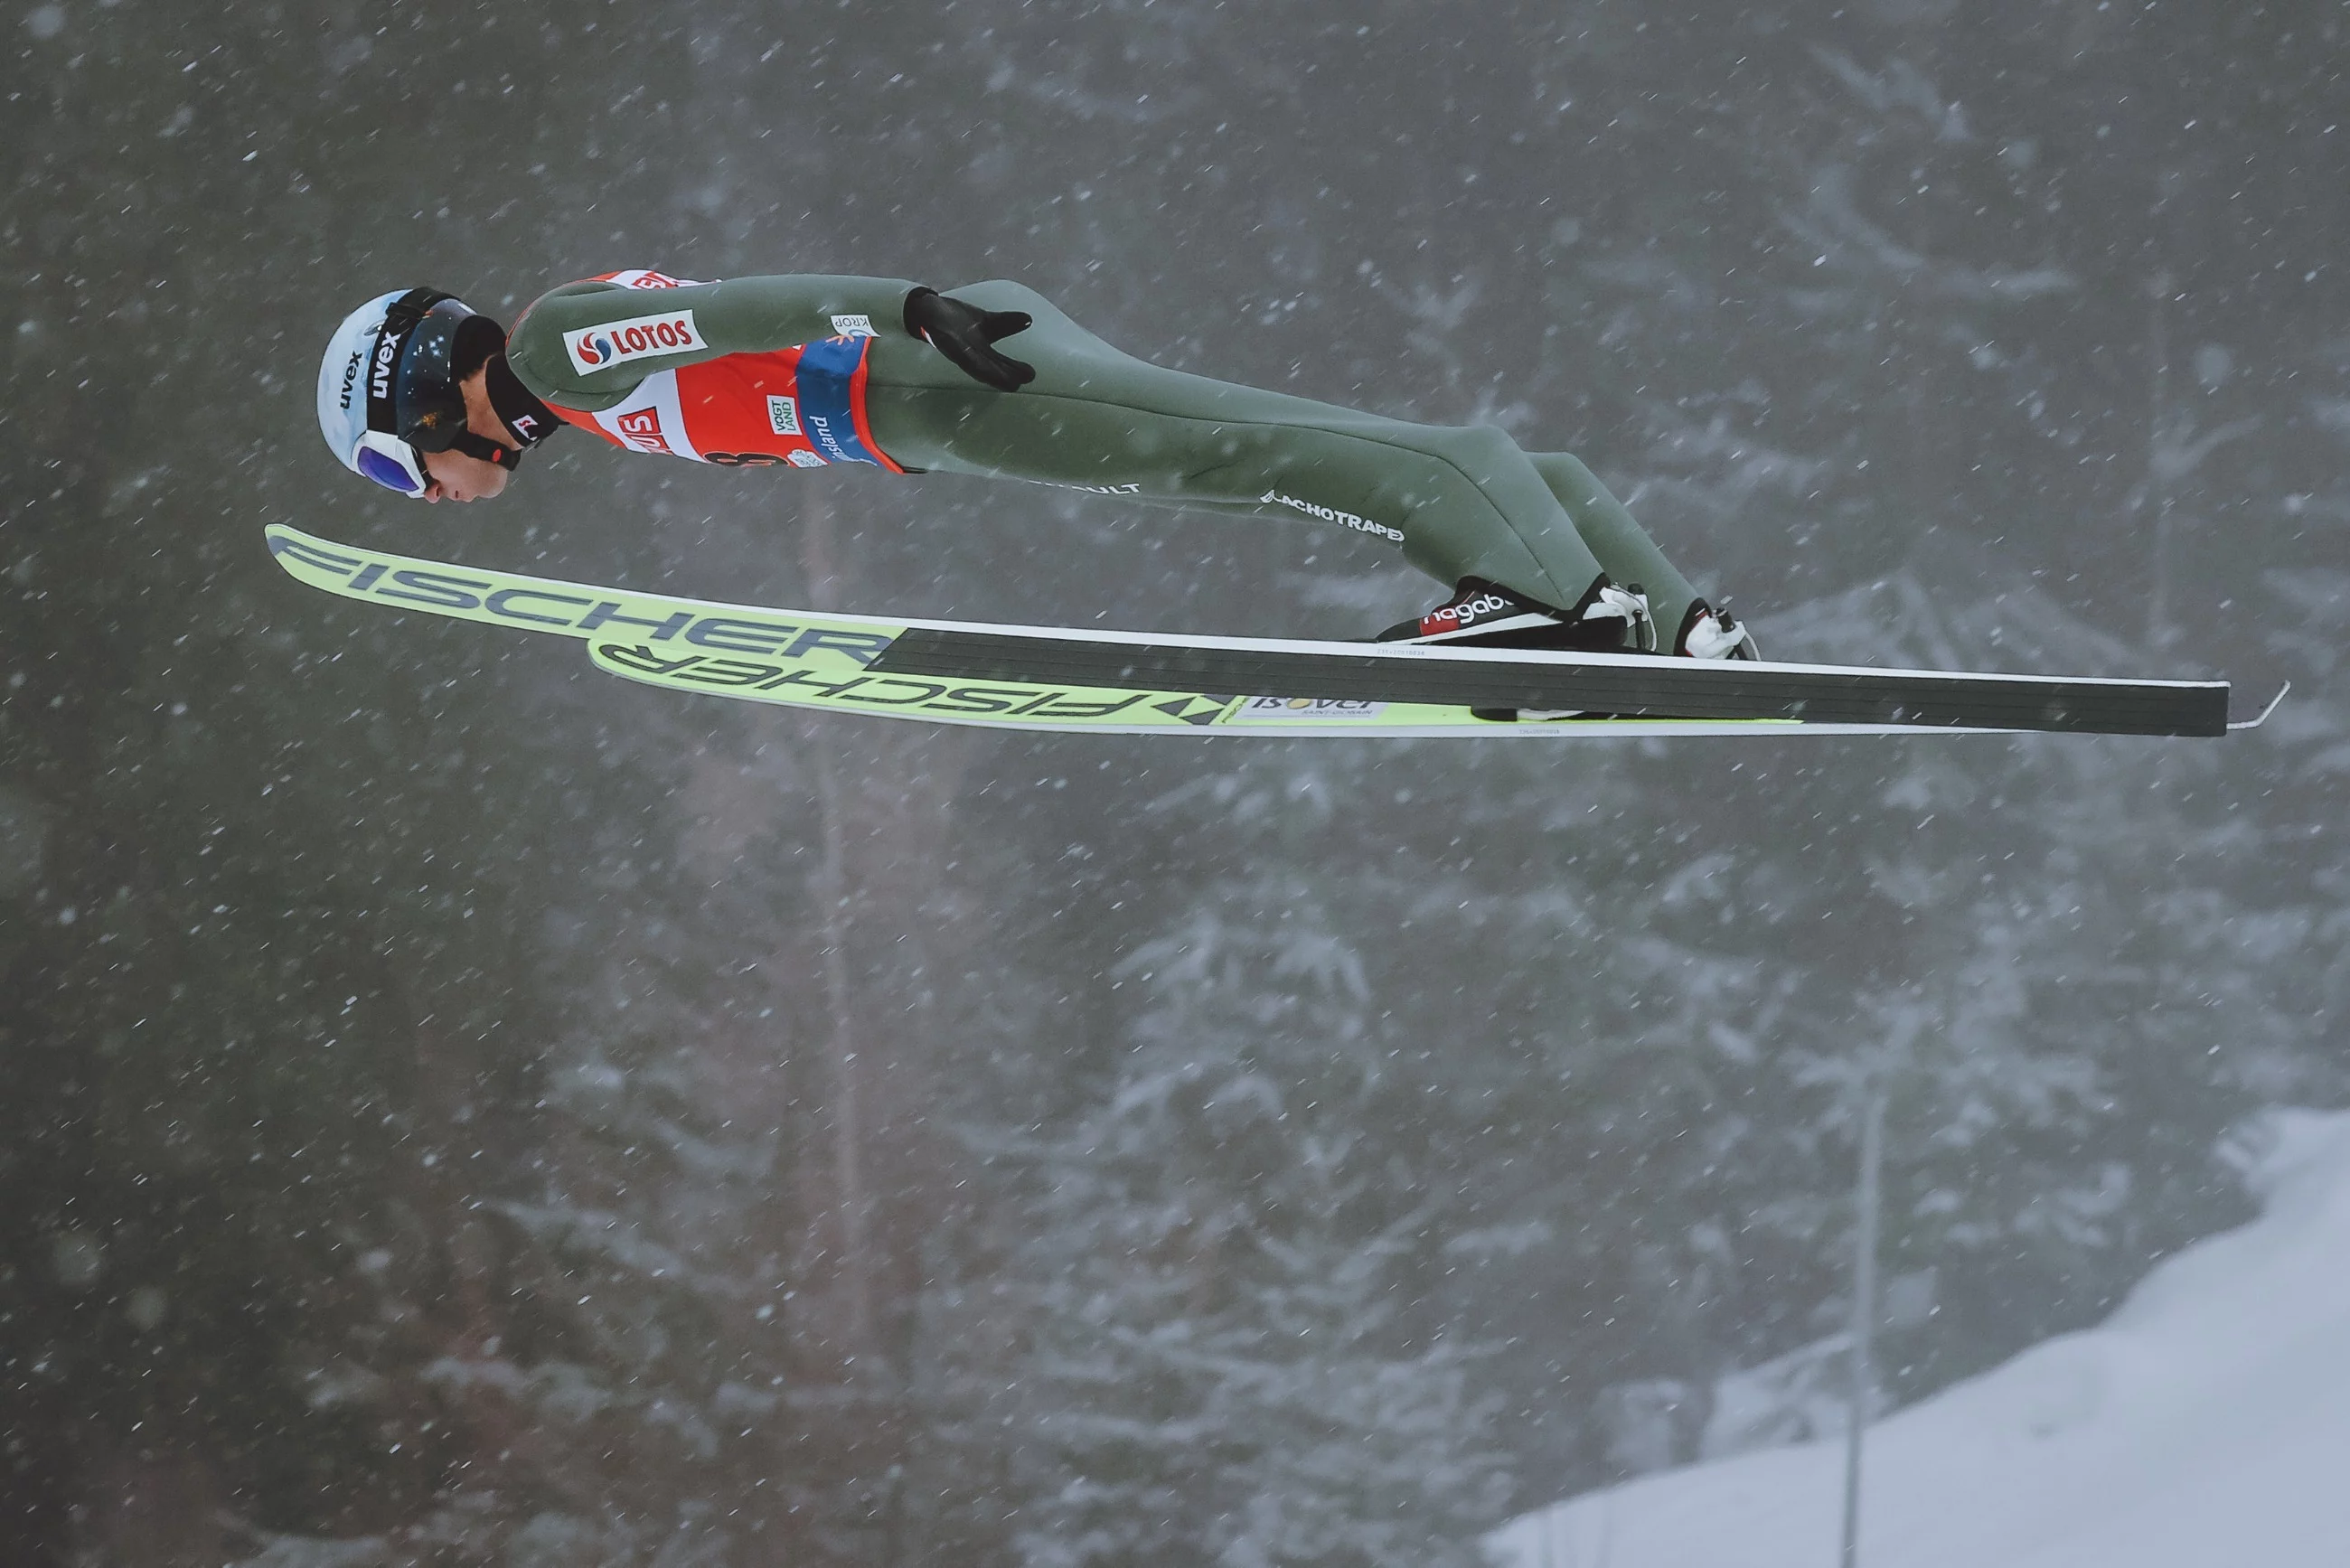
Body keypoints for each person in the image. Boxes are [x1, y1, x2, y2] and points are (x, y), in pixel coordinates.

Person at [315, 272, 1757, 657]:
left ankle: (1524, 585)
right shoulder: (579, 387)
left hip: (955, 370)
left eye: (396, 473)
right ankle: (1655, 608)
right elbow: (735, 370)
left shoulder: (561, 350)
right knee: (1237, 454)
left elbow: (755, 303)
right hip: (942, 405)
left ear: (430, 401)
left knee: (1241, 453)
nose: (425, 501)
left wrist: (908, 307)